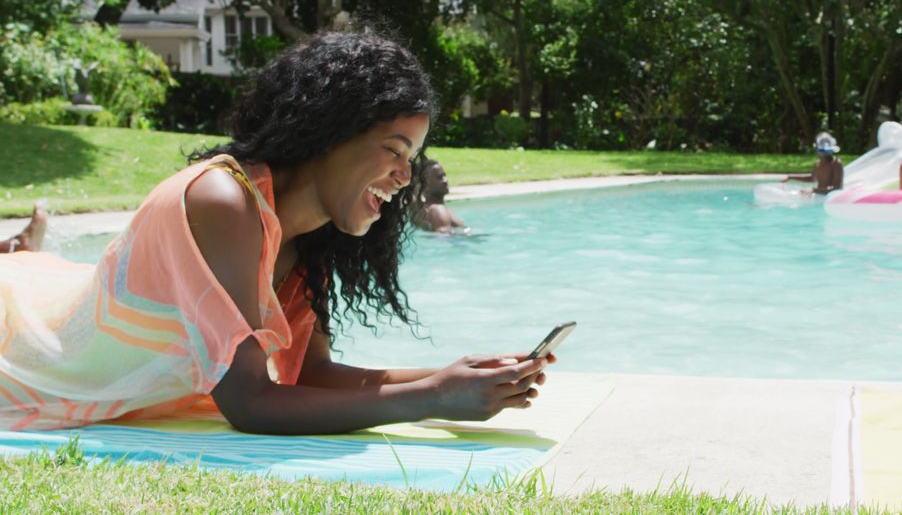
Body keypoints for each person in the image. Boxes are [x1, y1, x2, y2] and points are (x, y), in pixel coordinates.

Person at [0, 30, 552, 434]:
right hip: (22, 354)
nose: (406, 177)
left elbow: (309, 374)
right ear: (330, 132)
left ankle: (22, 250)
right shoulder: (223, 200)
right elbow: (250, 402)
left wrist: (459, 377)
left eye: (413, 158)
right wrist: (430, 398)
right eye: (394, 150)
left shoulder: (307, 235)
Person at [410, 160, 470, 234]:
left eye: (444, 175)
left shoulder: (425, 209)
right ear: (425, 184)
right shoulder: (438, 210)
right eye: (439, 177)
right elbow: (443, 238)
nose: (445, 180)